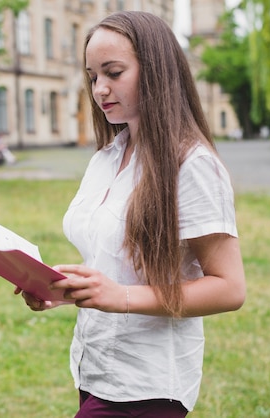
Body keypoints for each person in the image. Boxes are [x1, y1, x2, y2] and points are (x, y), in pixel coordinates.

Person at [17, 12, 246, 417]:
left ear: (156, 71)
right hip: (94, 368)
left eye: (114, 72)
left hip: (148, 385)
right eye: (92, 76)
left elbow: (229, 288)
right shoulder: (108, 156)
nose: (99, 89)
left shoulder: (192, 164)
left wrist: (118, 297)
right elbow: (113, 263)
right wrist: (60, 289)